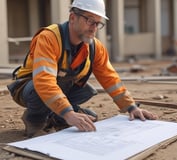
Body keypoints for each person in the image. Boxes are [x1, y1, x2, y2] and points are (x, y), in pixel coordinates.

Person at [8, 0, 157, 138]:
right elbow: (44, 81)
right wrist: (68, 113)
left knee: (87, 94)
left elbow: (110, 79)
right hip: (29, 88)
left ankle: (54, 116)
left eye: (98, 23)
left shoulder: (95, 46)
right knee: (39, 88)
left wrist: (131, 107)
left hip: (60, 88)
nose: (94, 27)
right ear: (73, 17)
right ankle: (35, 120)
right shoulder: (49, 38)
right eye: (89, 20)